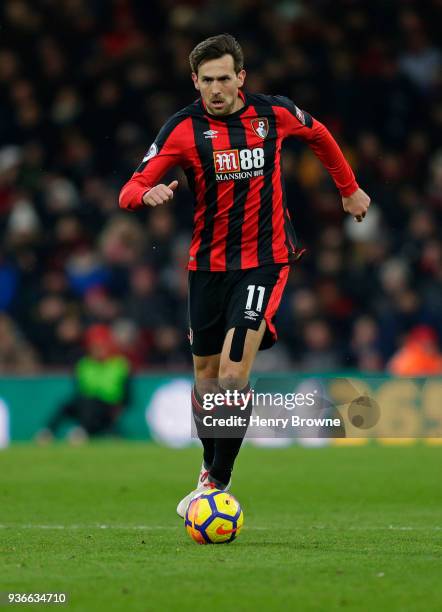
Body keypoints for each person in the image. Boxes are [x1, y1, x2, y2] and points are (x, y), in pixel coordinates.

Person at [119, 34, 370, 516]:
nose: (216, 88)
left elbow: (318, 134)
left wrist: (350, 188)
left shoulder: (272, 114)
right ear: (195, 81)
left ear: (241, 77)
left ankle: (216, 483)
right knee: (206, 379)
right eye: (206, 80)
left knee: (234, 375)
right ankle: (207, 469)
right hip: (207, 268)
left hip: (264, 261)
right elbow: (131, 186)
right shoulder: (182, 130)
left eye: (224, 78)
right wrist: (143, 196)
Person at [37, 324, 131, 444]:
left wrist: (117, 411)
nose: (98, 350)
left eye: (101, 346)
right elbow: (78, 388)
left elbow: (127, 396)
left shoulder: (119, 364)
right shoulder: (84, 364)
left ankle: (82, 431)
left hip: (108, 406)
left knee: (92, 404)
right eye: (95, 346)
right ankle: (48, 432)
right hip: (85, 403)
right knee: (67, 404)